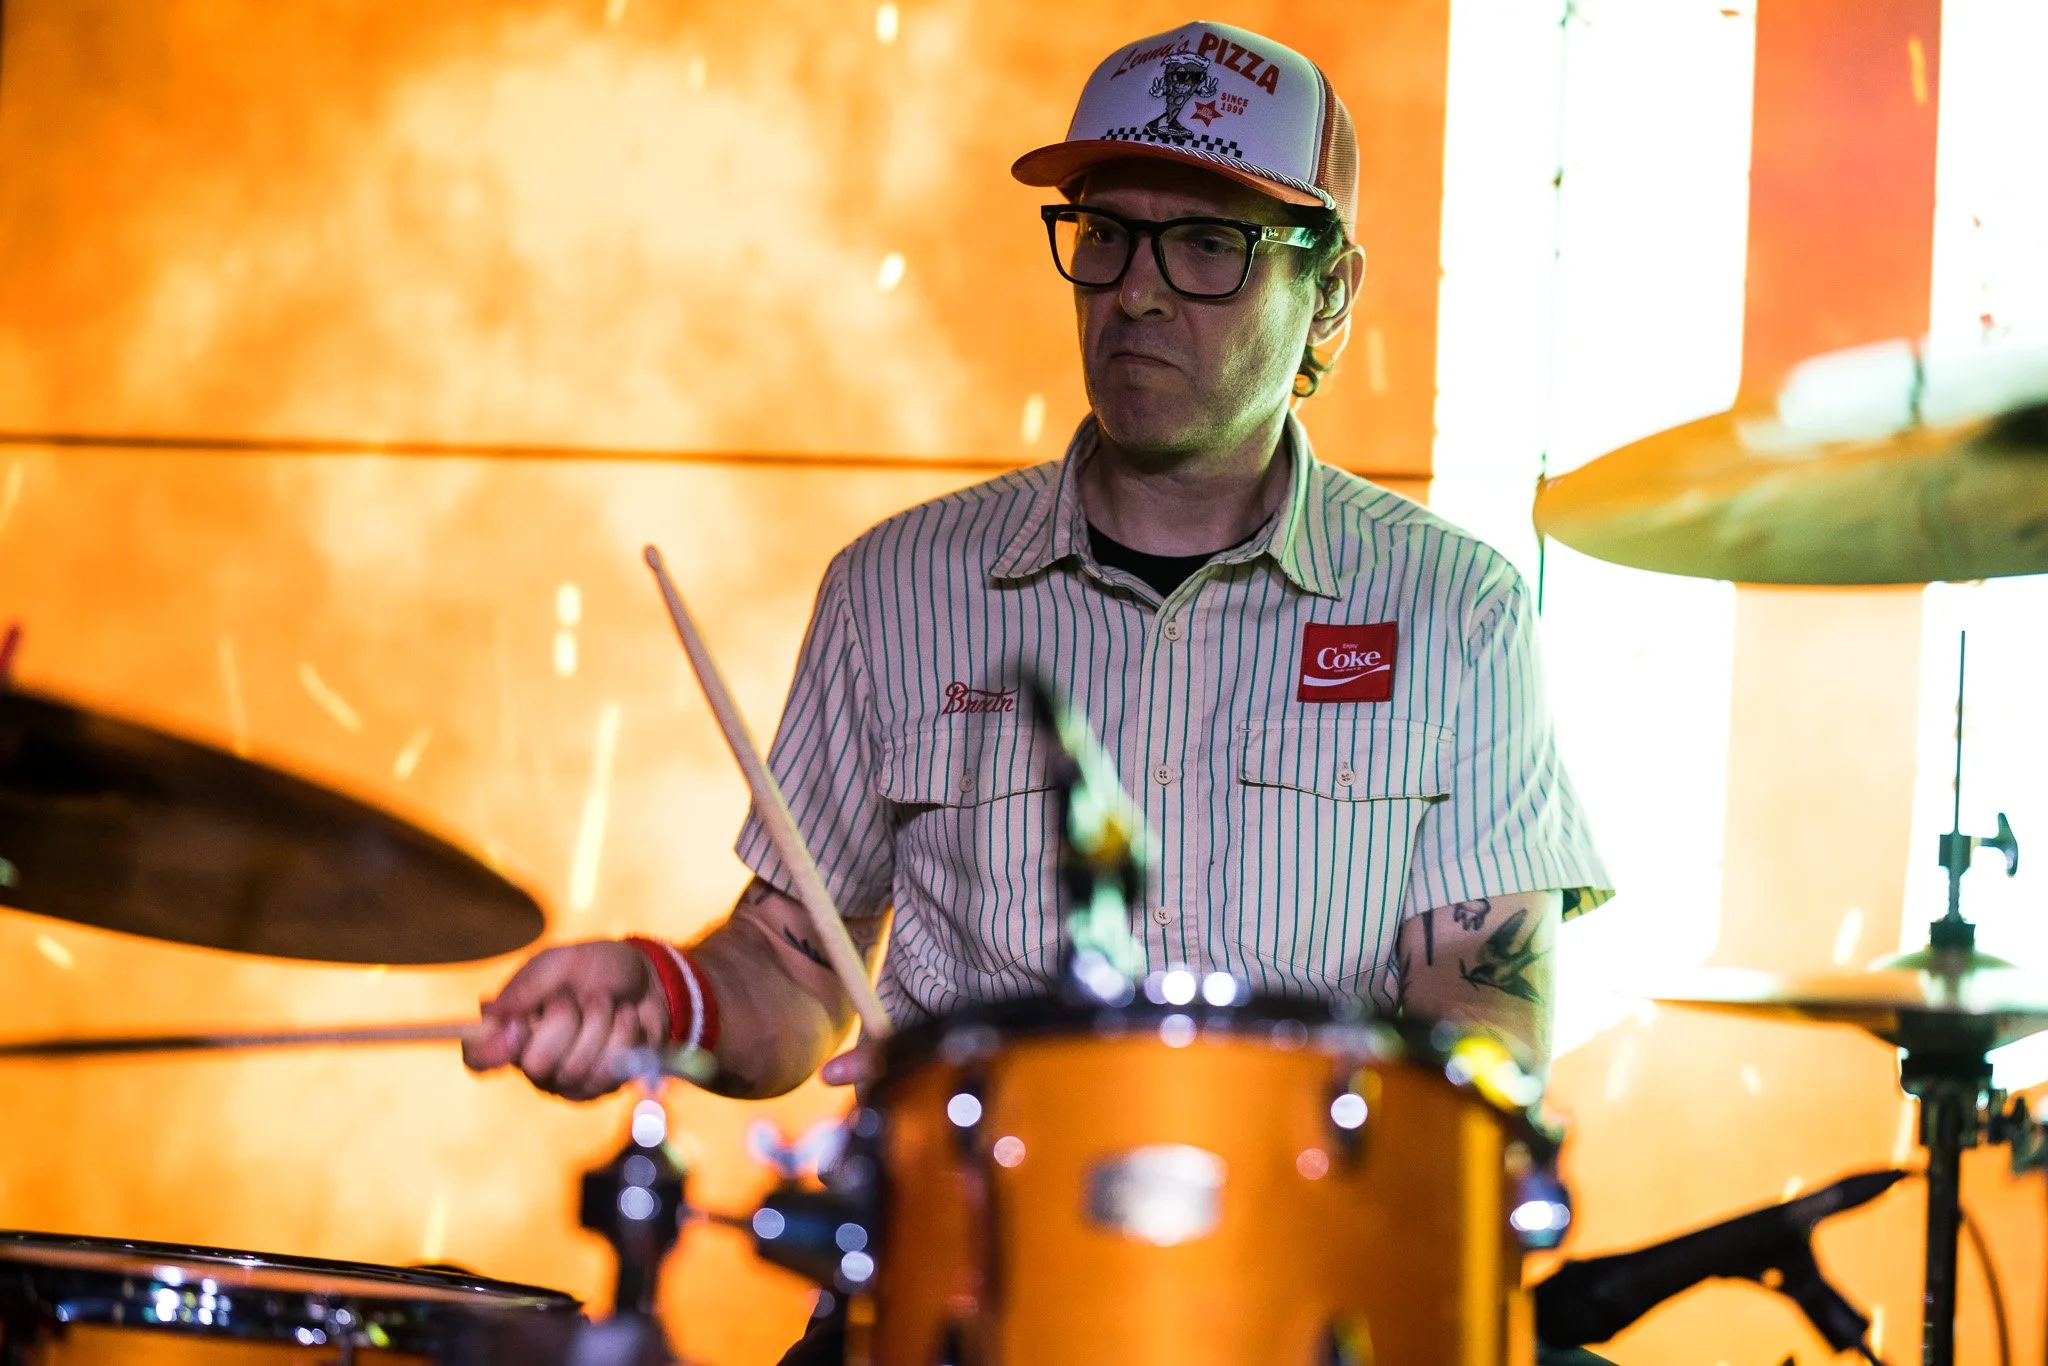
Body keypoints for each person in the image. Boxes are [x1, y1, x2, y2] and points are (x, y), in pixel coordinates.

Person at [467, 18, 1611, 1359]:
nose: (1136, 290)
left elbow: (1484, 1006)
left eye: (1207, 244)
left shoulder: (1454, 609)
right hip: (963, 1295)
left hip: (1303, 1308)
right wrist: (661, 990)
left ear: (1334, 297)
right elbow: (792, 967)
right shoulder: (896, 587)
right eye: (1106, 234)